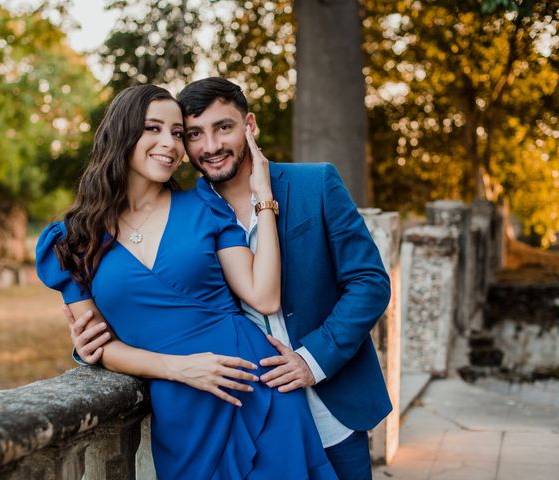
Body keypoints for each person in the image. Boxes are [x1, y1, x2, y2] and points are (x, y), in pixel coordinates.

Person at [68, 77, 392, 480]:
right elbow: (139, 304)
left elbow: (369, 283)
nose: (211, 145)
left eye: (224, 127)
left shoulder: (316, 184)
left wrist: (313, 361)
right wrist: (89, 347)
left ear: (249, 126)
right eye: (194, 134)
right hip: (229, 397)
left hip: (331, 399)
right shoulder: (197, 206)